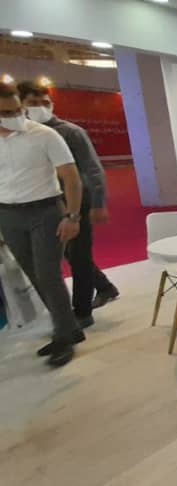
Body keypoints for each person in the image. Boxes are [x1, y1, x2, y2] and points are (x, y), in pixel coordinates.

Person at [19, 82, 120, 327]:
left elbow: (92, 169)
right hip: (44, 204)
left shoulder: (70, 132)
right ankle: (105, 287)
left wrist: (98, 203)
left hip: (76, 202)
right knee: (68, 254)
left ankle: (82, 311)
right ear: (21, 105)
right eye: (33, 103)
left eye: (45, 103)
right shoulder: (20, 135)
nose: (40, 107)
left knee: (79, 256)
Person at [0, 83, 84, 367]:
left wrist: (72, 216)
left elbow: (71, 177)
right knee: (34, 274)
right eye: (5, 113)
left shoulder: (44, 135)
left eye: (17, 110)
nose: (14, 116)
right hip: (8, 214)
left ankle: (64, 337)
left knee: (48, 275)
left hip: (45, 211)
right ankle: (69, 326)